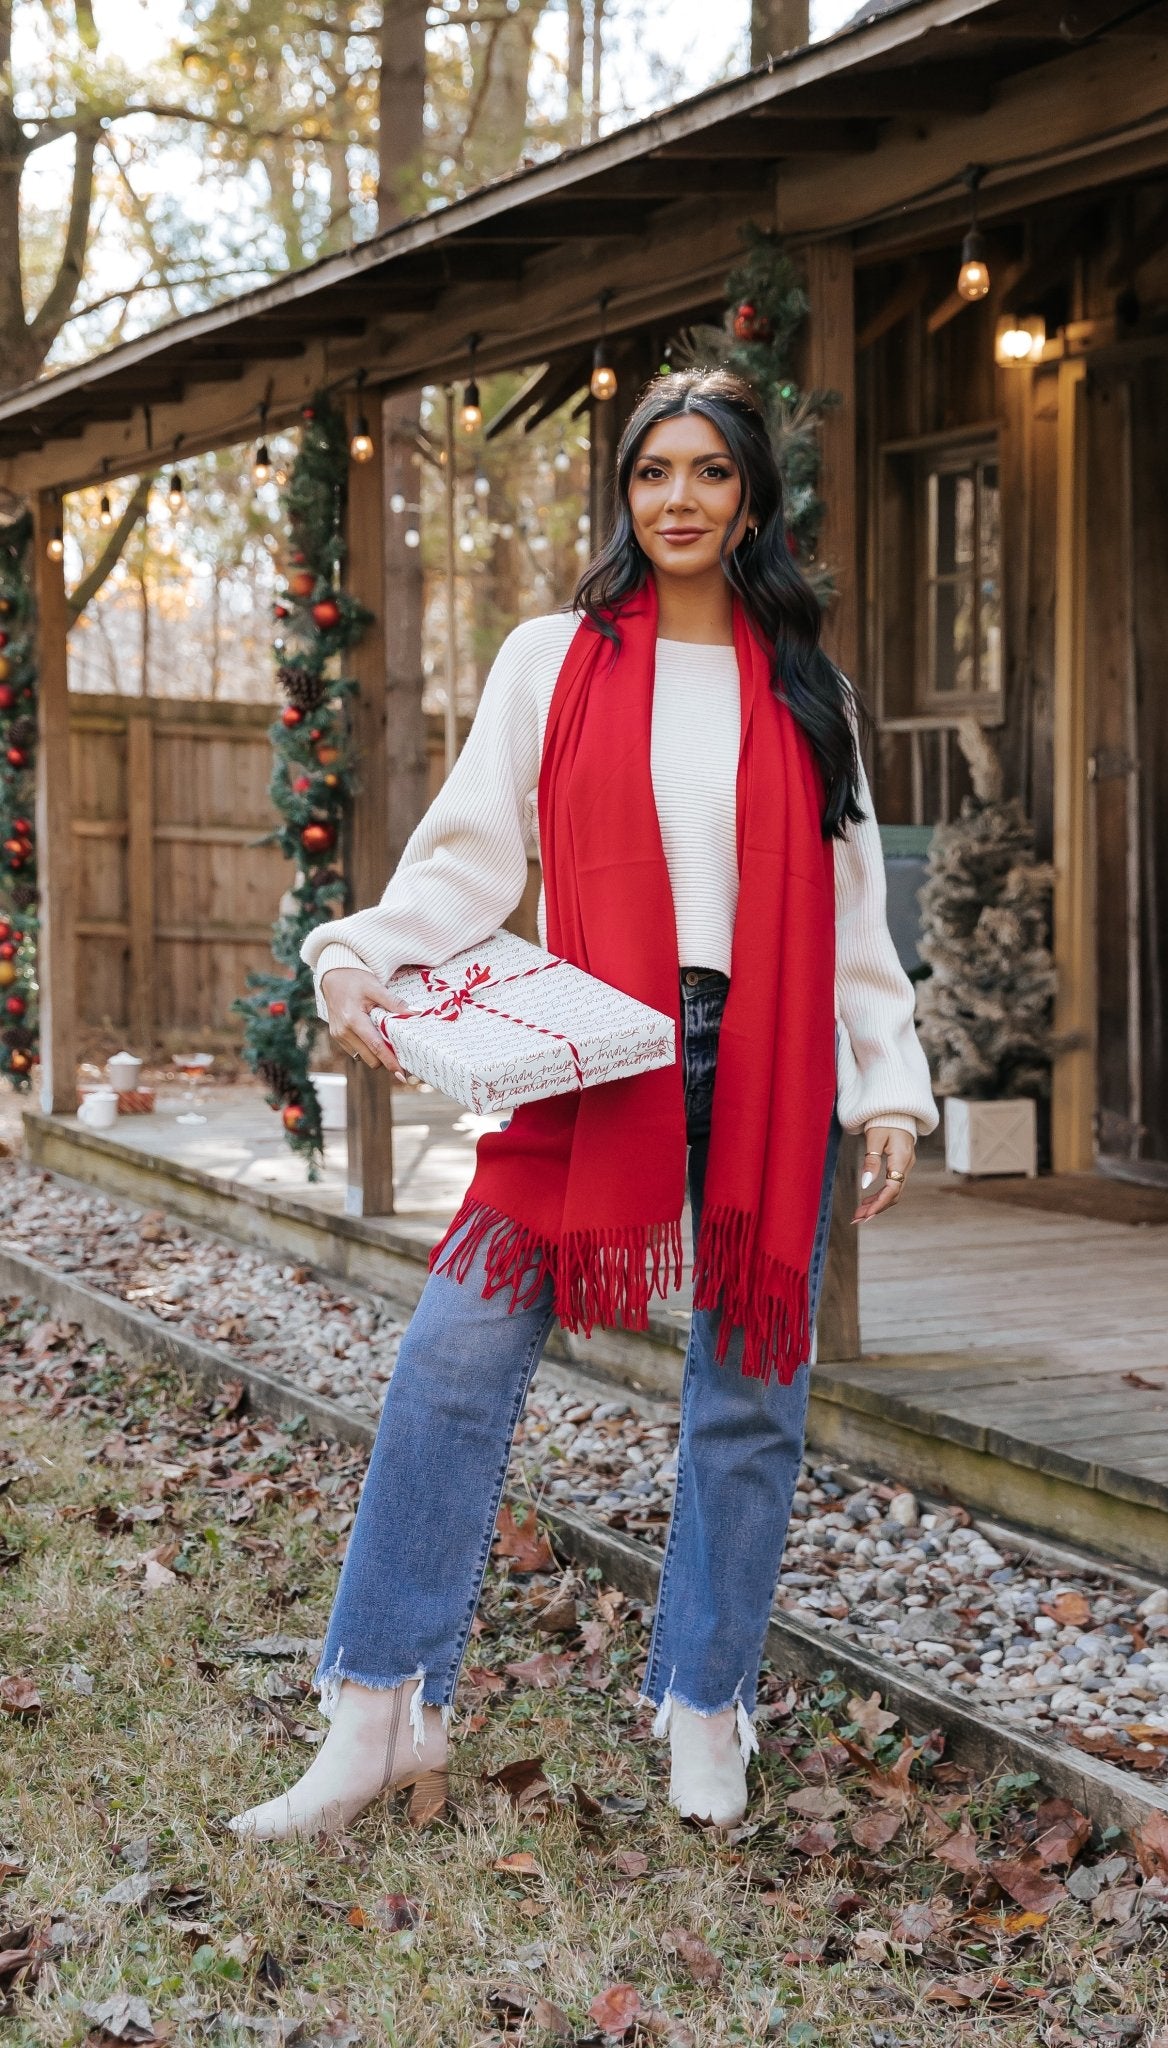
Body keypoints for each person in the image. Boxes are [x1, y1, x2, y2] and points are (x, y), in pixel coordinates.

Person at [228, 367, 938, 1843]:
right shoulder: (552, 658)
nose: (677, 500)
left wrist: (889, 1089)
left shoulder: (812, 690)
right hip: (596, 1055)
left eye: (709, 475)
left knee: (747, 1401)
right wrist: (357, 949)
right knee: (449, 1363)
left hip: (771, 1069)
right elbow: (467, 859)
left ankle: (703, 1703)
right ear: (623, 495)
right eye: (651, 473)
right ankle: (380, 1710)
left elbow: (856, 917)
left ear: (751, 503)